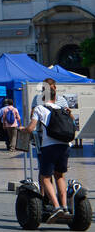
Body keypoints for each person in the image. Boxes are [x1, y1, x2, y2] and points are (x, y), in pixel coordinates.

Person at [26, 79, 73, 222]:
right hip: (65, 145)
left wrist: (23, 129)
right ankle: (65, 207)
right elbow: (71, 121)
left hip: (48, 145)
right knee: (60, 176)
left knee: (45, 177)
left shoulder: (39, 107)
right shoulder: (63, 107)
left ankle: (56, 206)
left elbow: (31, 127)